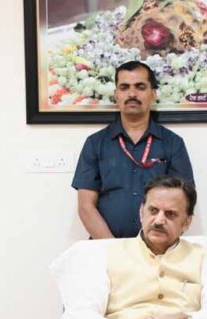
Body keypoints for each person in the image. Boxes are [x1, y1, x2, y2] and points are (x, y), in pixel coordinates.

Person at [52, 175, 207, 319]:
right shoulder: (105, 254)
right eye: (153, 211)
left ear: (187, 222)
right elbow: (79, 313)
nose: (159, 220)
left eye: (170, 214)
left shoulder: (206, 256)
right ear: (141, 212)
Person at [71, 61, 194, 239]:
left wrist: (154, 246)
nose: (132, 94)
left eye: (140, 87)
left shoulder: (173, 143)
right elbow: (85, 206)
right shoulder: (95, 143)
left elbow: (183, 202)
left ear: (153, 93)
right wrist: (114, 248)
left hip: (158, 247)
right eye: (124, 87)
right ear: (116, 95)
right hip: (105, 247)